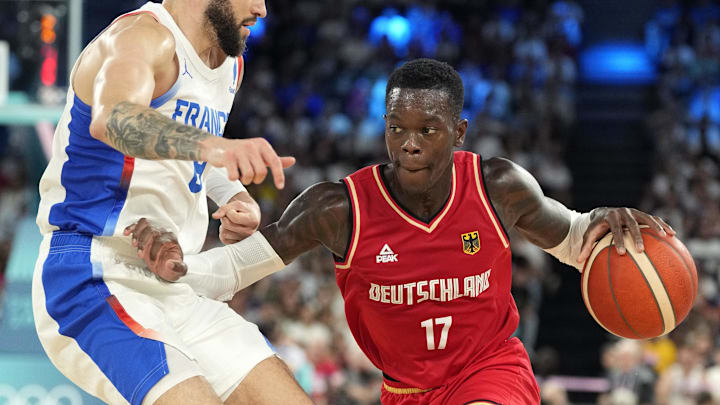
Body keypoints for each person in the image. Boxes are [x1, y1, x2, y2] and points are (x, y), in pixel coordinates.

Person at [128, 58, 676, 405]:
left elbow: (577, 241)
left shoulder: (499, 185)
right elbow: (236, 268)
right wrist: (175, 269)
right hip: (404, 391)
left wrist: (606, 230)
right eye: (397, 128)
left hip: (490, 371)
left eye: (428, 130)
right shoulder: (337, 207)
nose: (410, 143)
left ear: (458, 131)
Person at [32, 0, 313, 404]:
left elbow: (192, 150)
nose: (262, 9)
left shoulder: (228, 63)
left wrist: (232, 194)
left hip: (174, 283)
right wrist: (217, 148)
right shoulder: (139, 37)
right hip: (92, 273)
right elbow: (114, 119)